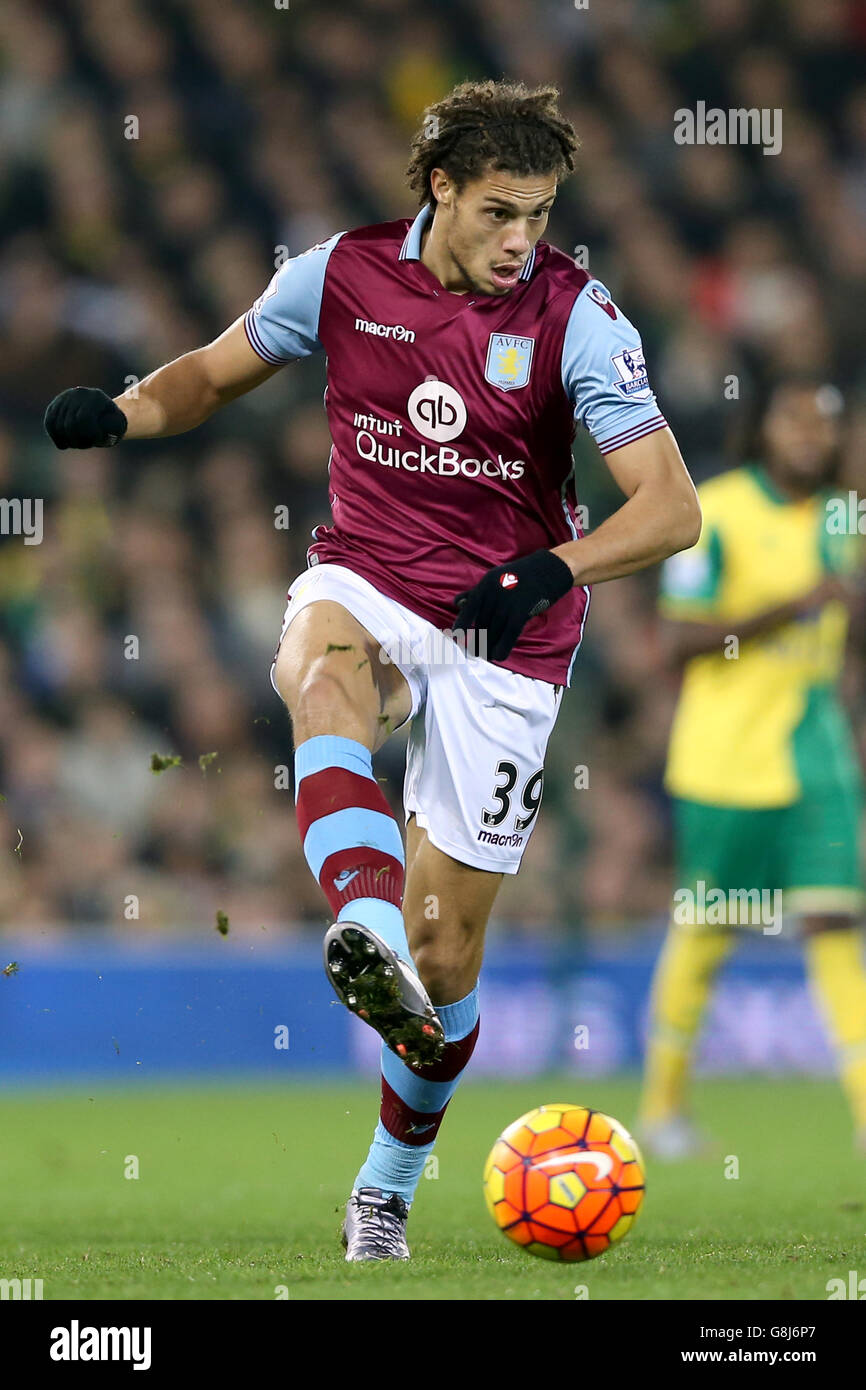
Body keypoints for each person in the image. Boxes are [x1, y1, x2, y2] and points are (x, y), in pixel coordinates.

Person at [44, 79, 700, 1258]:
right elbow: (211, 369)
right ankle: (363, 920)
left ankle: (385, 1184)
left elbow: (670, 510)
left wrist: (552, 567)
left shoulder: (576, 316)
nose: (520, 241)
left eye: (540, 216)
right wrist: (130, 414)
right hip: (370, 575)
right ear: (438, 187)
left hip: (510, 635)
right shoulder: (340, 275)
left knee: (447, 956)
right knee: (321, 664)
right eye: (500, 211)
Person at [638, 377, 866, 1158]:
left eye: (824, 422)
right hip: (728, 761)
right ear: (764, 426)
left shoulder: (846, 514)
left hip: (819, 755)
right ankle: (663, 1109)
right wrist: (790, 607)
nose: (810, 434)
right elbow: (676, 644)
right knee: (710, 932)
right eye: (794, 418)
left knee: (836, 924)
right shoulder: (718, 510)